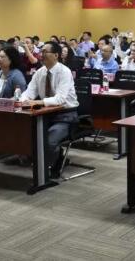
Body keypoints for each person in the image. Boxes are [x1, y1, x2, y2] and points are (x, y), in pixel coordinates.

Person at [19, 41, 79, 179]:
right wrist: (22, 100)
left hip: (65, 116)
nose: (42, 54)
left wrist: (37, 102)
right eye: (41, 52)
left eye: (45, 52)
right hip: (45, 114)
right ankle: (49, 159)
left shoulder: (64, 71)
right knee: (27, 135)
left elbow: (60, 99)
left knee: (49, 140)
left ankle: (50, 166)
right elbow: (29, 92)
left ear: (56, 55)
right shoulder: (40, 72)